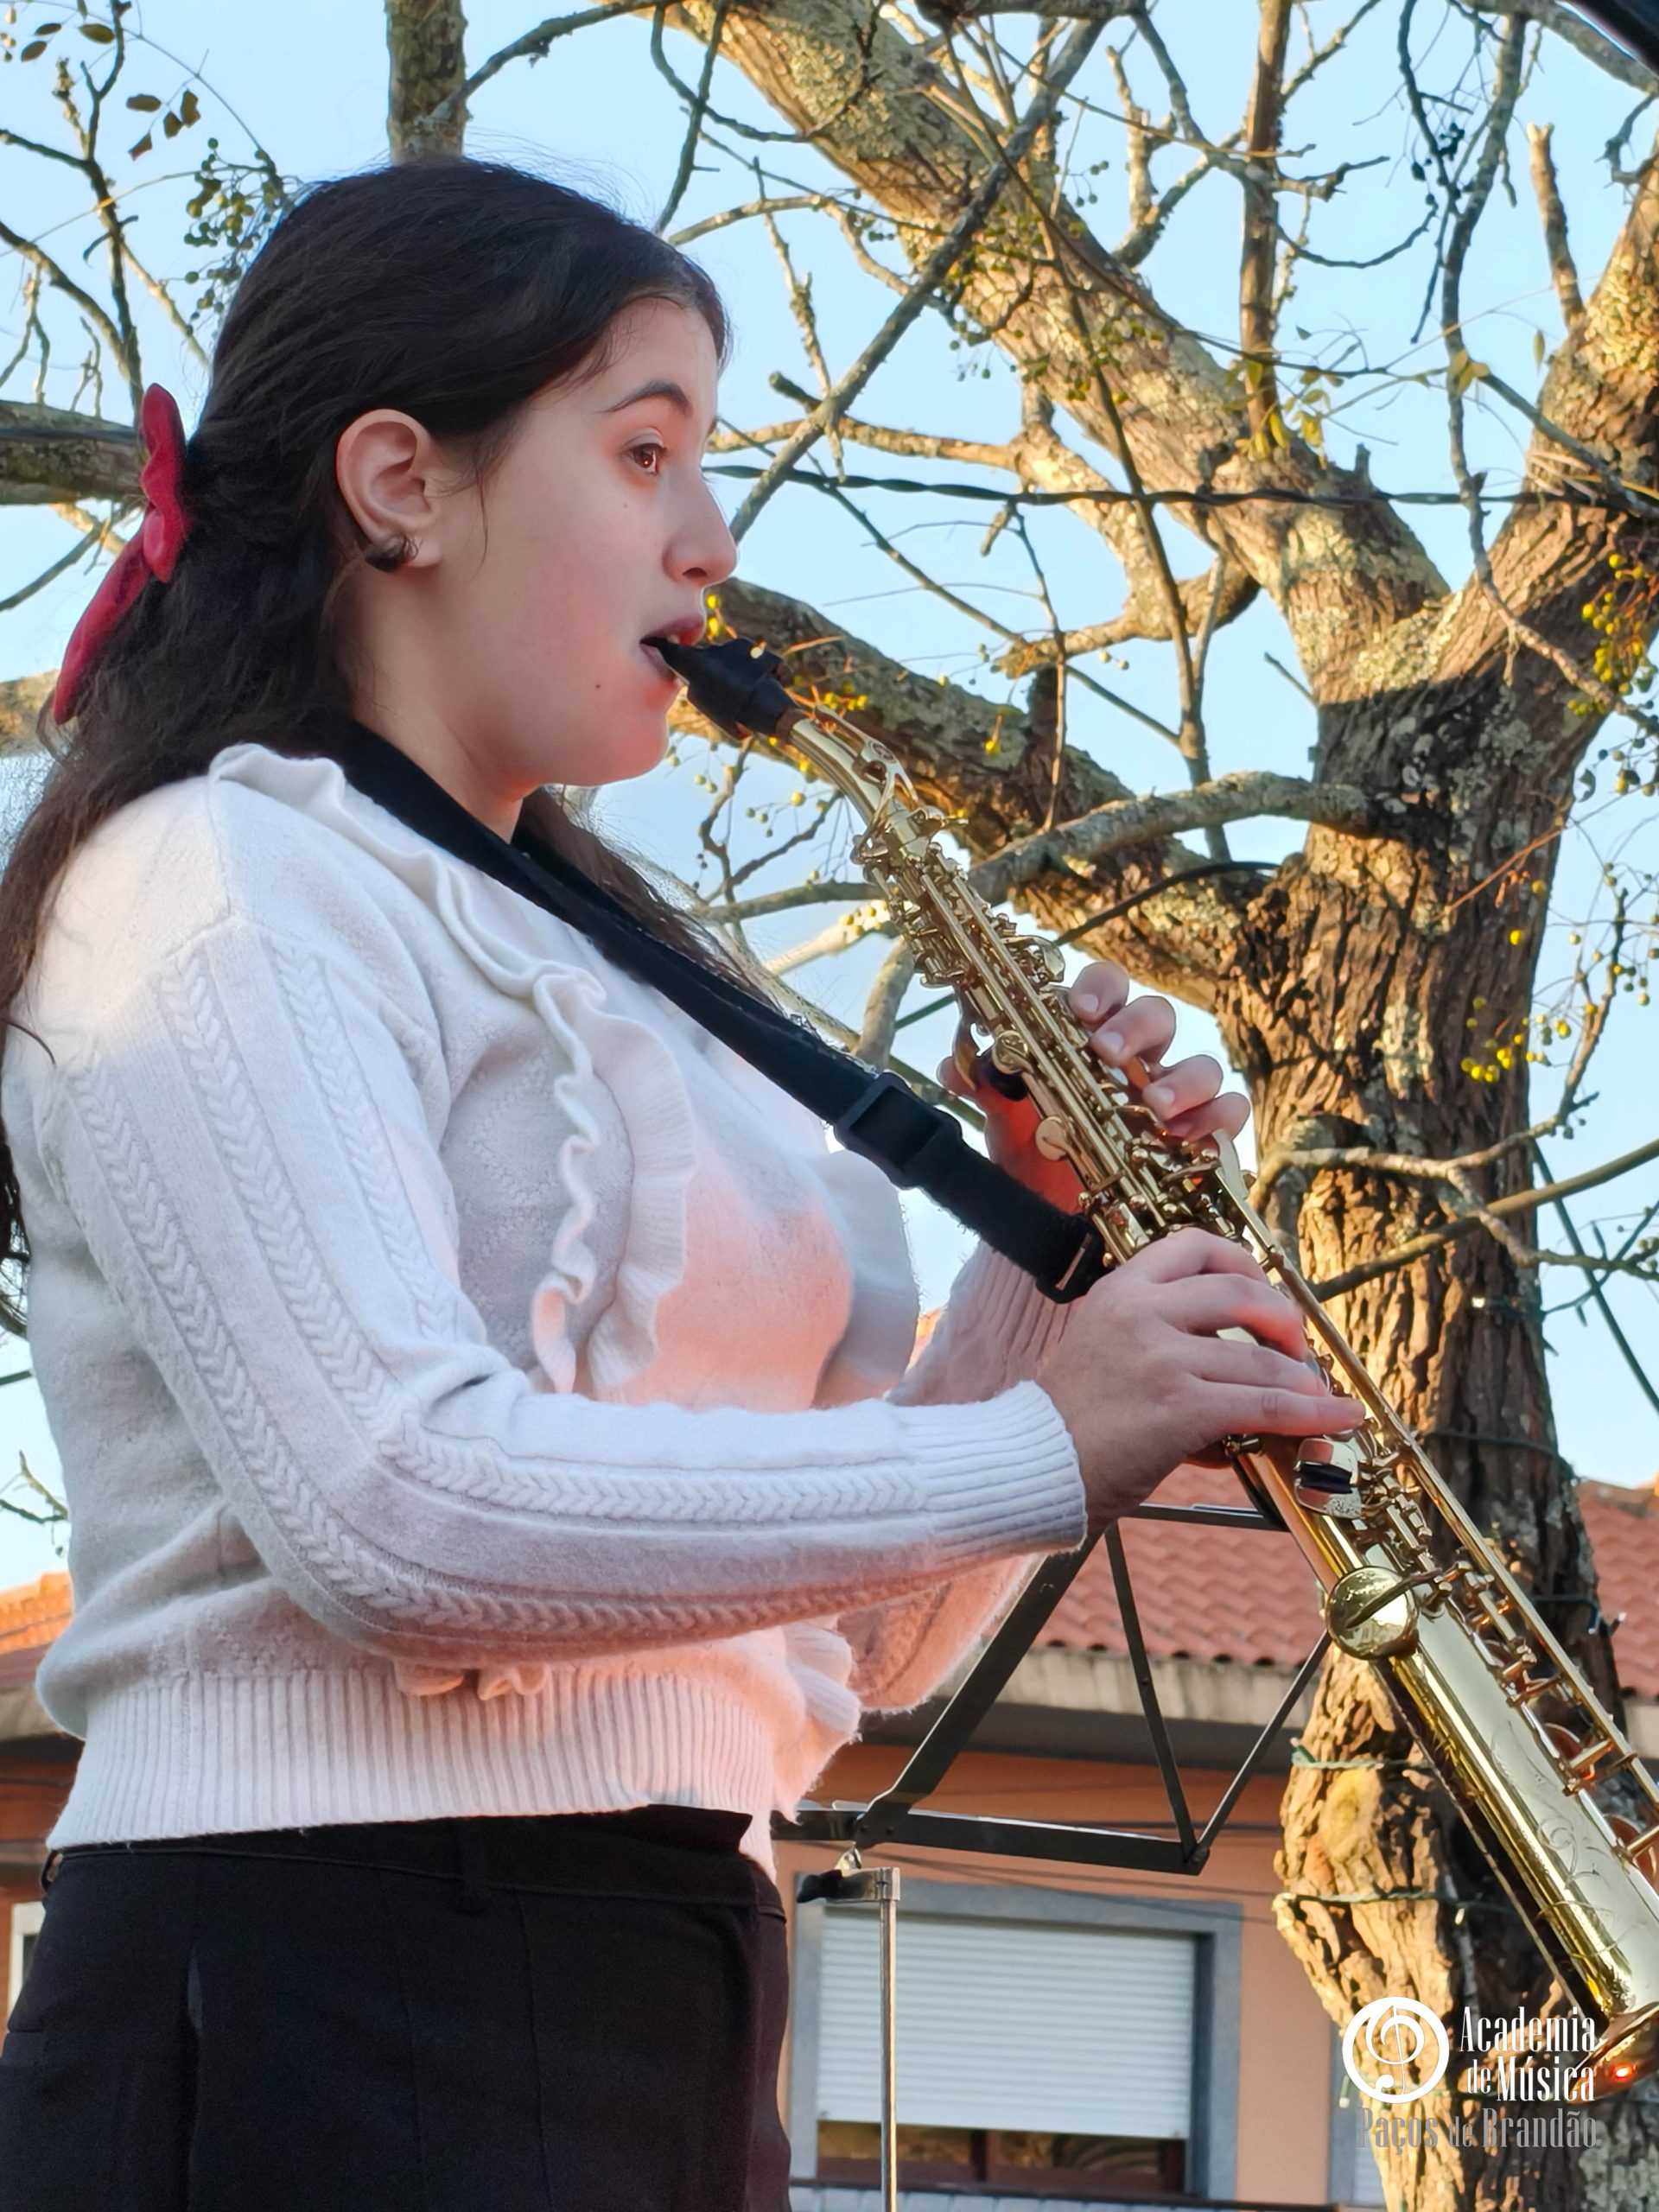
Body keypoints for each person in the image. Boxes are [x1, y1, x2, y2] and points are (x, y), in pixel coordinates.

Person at [0, 156, 1359, 2212]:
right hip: (315, 1969)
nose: (710, 540)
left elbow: (872, 1638)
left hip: (667, 1958)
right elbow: (393, 1506)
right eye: (647, 451)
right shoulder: (213, 880)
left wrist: (1055, 1265)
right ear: (402, 483)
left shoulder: (620, 963)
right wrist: (1047, 1438)